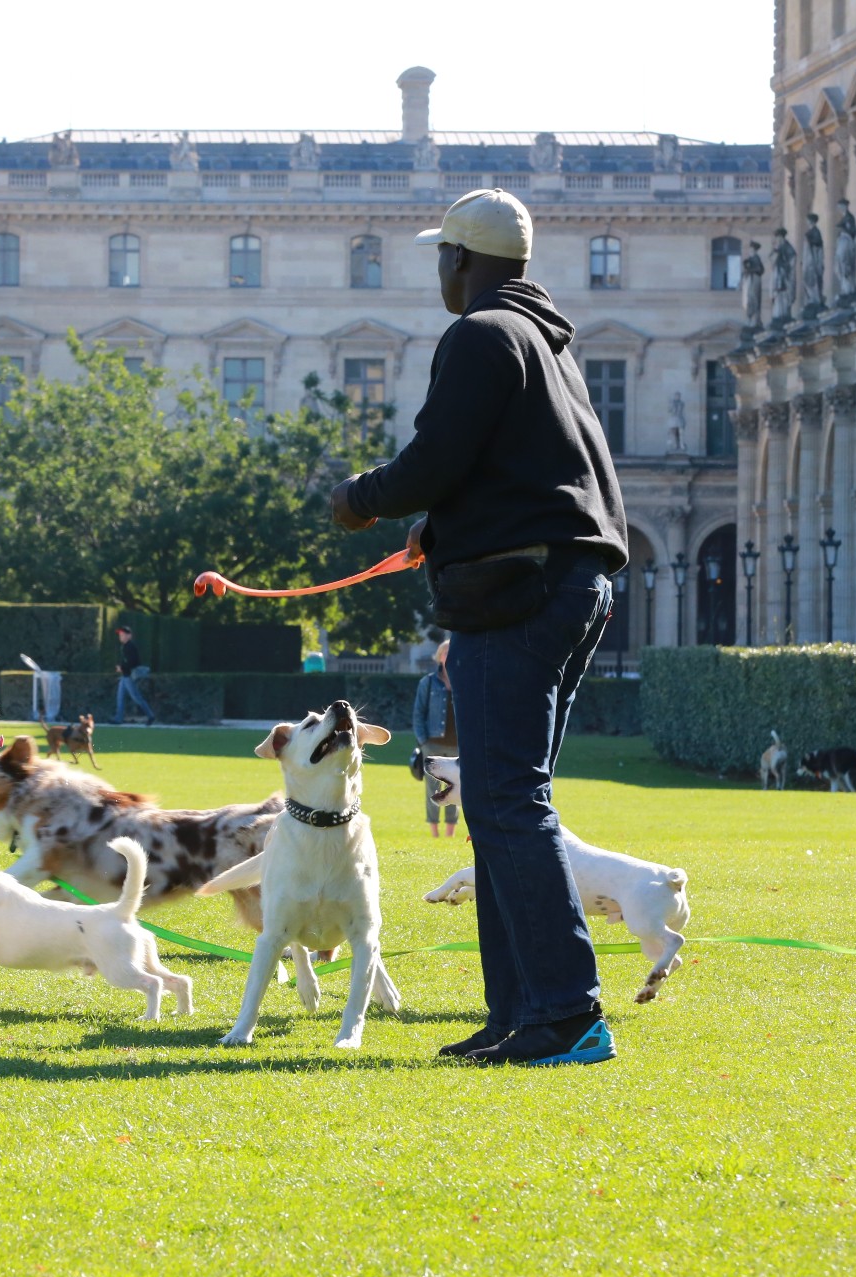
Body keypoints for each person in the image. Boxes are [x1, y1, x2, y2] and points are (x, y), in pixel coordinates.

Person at [331, 188, 627, 1067]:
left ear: (461, 259)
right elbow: (518, 475)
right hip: (572, 582)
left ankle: (567, 1013)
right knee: (505, 801)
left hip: (520, 593)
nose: (438, 271)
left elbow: (435, 459)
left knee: (502, 799)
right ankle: (520, 1014)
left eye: (440, 256)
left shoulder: (481, 334)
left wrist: (363, 499)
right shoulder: (547, 343)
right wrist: (446, 528)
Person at [411, 639, 458, 838]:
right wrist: (423, 742)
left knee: (454, 789)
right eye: (445, 652)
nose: (448, 656)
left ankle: (450, 832)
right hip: (432, 744)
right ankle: (434, 831)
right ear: (439, 657)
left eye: (451, 652)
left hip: (457, 745)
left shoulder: (464, 681)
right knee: (432, 788)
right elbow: (418, 713)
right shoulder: (428, 682)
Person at [111, 624, 154, 726]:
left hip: (129, 676)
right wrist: (122, 667)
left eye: (123, 634)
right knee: (120, 697)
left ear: (129, 635)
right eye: (120, 634)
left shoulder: (130, 646)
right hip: (125, 675)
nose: (120, 636)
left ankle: (150, 715)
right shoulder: (126, 646)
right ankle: (118, 718)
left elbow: (134, 661)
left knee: (136, 697)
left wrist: (122, 667)